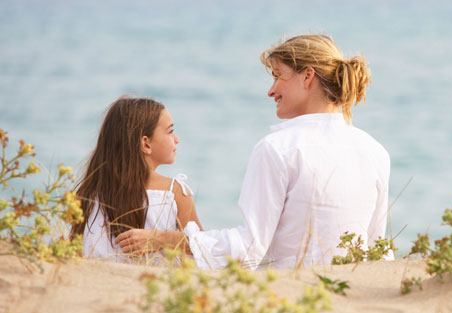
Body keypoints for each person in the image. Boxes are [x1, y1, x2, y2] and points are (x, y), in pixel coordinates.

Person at [116, 34, 390, 270]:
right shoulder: (376, 151)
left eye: (278, 76)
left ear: (308, 76)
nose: (271, 90)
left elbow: (249, 246)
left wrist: (164, 239)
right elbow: (378, 250)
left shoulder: (277, 148)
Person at [71, 96, 203, 263]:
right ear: (146, 144)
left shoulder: (89, 193)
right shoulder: (174, 192)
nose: (177, 139)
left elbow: (74, 249)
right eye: (170, 131)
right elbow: (203, 249)